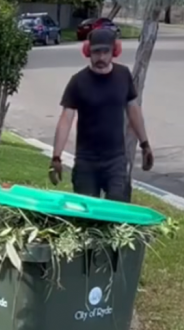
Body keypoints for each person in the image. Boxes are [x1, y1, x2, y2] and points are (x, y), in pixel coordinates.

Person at [48, 28, 154, 202]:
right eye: (97, 52)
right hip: (86, 162)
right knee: (87, 216)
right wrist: (56, 157)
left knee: (118, 213)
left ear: (115, 51)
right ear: (88, 51)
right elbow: (65, 120)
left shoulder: (123, 75)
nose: (102, 58)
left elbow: (133, 109)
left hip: (116, 160)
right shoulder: (78, 81)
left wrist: (145, 144)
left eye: (106, 52)